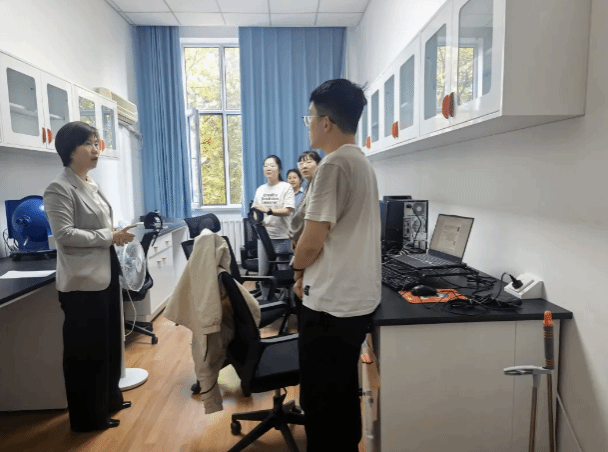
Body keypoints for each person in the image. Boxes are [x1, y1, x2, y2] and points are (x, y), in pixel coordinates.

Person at [292, 79, 381, 452]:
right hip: (354, 302)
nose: (308, 124)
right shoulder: (361, 162)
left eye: (309, 117)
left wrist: (297, 271)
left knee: (321, 401)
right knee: (343, 391)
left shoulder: (332, 166)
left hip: (330, 305)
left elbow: (312, 240)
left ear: (325, 122)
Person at [43, 121, 136, 432]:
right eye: (89, 144)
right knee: (86, 353)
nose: (96, 149)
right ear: (71, 150)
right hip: (82, 284)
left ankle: (109, 399)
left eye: (97, 143)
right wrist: (109, 236)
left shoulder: (90, 184)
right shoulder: (58, 188)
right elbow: (64, 235)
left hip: (105, 273)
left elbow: (98, 227)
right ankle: (87, 418)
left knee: (108, 344)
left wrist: (114, 235)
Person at [252, 155, 295, 289]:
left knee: (284, 273)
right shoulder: (260, 189)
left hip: (282, 236)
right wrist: (257, 218)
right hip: (264, 237)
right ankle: (265, 299)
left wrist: (269, 211)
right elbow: (255, 209)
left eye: (272, 165)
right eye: (265, 165)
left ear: (279, 169)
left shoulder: (286, 187)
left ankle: (286, 299)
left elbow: (288, 210)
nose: (268, 168)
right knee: (263, 274)